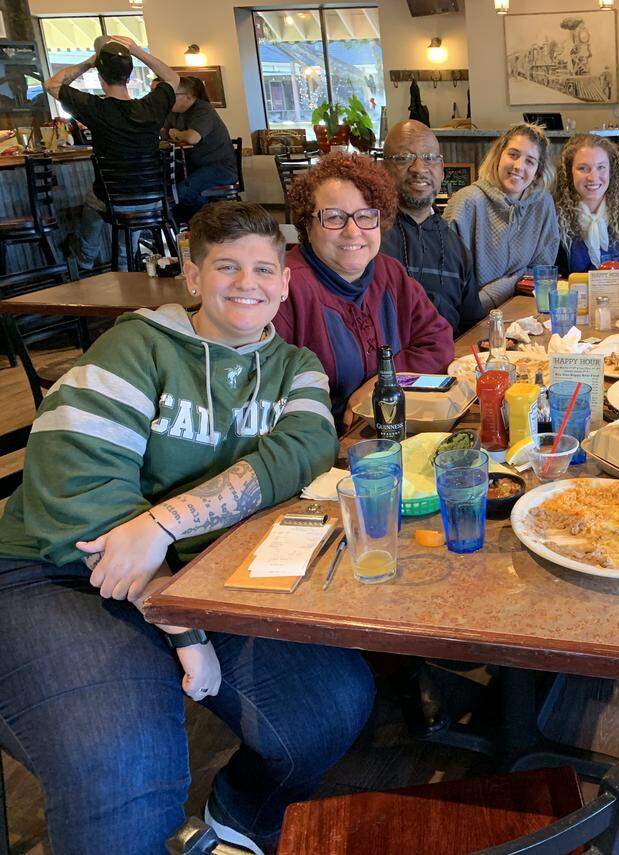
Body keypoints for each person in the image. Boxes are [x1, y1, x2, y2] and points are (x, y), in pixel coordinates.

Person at [0, 202, 375, 855]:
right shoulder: (132, 346)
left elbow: (302, 450)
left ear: (285, 283)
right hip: (56, 573)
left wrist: (163, 523)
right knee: (126, 772)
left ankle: (236, 819)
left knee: (332, 706)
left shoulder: (296, 367)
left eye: (263, 267)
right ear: (194, 276)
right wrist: (184, 627)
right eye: (225, 265)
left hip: (200, 568)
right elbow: (79, 491)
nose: (246, 282)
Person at [274, 151, 453, 426]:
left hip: (390, 427)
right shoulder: (285, 288)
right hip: (325, 448)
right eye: (333, 217)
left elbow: (438, 341)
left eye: (366, 216)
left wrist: (382, 383)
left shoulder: (389, 272)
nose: (353, 231)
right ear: (307, 225)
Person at [44, 35, 179, 272]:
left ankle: (87, 256)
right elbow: (173, 78)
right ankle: (127, 263)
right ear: (129, 75)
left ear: (100, 76)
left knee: (95, 200)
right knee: (120, 209)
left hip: (116, 201)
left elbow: (51, 85)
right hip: (154, 199)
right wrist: (137, 51)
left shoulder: (95, 109)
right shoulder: (151, 107)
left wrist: (89, 61)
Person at [380, 119, 486, 333]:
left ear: (442, 170)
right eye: (404, 158)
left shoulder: (455, 247)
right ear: (383, 169)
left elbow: (471, 327)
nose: (419, 168)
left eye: (429, 158)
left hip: (448, 362)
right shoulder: (367, 237)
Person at [443, 123, 558, 310]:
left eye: (530, 161)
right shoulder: (466, 201)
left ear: (538, 172)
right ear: (498, 157)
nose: (519, 166)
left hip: (524, 308)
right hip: (471, 317)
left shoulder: (543, 203)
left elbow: (541, 273)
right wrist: (509, 284)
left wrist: (506, 287)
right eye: (513, 155)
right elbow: (449, 280)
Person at [553, 133, 619, 275]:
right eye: (583, 168)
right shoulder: (554, 218)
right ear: (570, 173)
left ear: (611, 171)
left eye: (601, 167)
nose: (593, 177)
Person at [165, 75, 237, 217]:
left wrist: (176, 133)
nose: (169, 99)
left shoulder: (203, 110)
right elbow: (164, 132)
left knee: (181, 192)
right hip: (194, 166)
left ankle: (193, 225)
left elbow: (192, 137)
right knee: (170, 188)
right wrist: (175, 133)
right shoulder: (173, 112)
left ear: (189, 96)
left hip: (220, 167)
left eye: (173, 95)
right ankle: (192, 228)